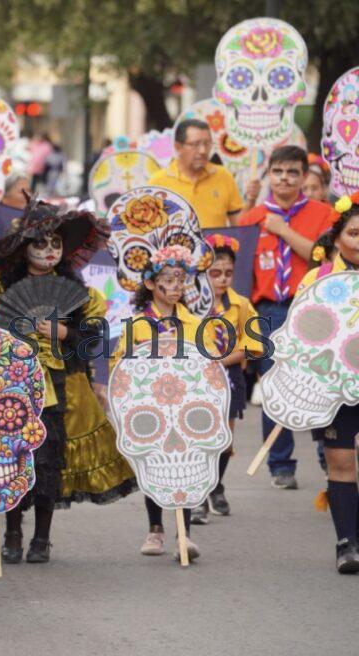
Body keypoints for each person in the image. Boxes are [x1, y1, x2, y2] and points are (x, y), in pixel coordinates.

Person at [0, 199, 136, 564]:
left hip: (58, 387)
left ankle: (42, 537)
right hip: (10, 386)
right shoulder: (2, 285)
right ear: (25, 248)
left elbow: (93, 338)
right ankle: (11, 531)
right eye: (41, 243)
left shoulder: (79, 293)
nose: (50, 250)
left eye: (56, 244)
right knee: (12, 458)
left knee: (47, 459)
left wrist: (65, 331)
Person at [237, 145, 337, 490]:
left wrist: (281, 229)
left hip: (309, 305)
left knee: (319, 382)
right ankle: (281, 464)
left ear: (302, 176)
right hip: (267, 309)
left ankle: (329, 455)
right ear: (269, 174)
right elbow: (241, 275)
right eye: (278, 172)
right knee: (274, 385)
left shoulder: (322, 213)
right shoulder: (251, 218)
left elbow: (320, 255)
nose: (285, 178)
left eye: (293, 172)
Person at [112, 245, 215, 561]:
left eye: (181, 280)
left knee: (186, 468)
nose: (175, 287)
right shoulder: (138, 325)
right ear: (150, 284)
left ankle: (185, 535)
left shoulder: (194, 324)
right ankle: (155, 529)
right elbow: (118, 364)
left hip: (185, 407)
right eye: (168, 280)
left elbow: (210, 362)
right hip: (149, 407)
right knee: (155, 466)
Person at [293, 197, 359, 573]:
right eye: (353, 233)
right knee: (341, 461)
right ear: (337, 239)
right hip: (334, 386)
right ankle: (346, 542)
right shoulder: (315, 281)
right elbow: (301, 336)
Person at [189, 234, 262, 524]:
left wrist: (222, 360)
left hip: (229, 374)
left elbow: (253, 342)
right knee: (198, 436)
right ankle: (198, 495)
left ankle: (216, 486)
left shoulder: (241, 304)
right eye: (215, 273)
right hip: (196, 376)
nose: (222, 279)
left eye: (228, 273)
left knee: (222, 438)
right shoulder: (190, 305)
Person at [148, 119, 246, 229]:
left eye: (207, 144)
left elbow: (239, 227)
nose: (203, 151)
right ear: (178, 147)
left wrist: (251, 200)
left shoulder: (224, 176)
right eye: (195, 144)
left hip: (216, 246)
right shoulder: (158, 182)